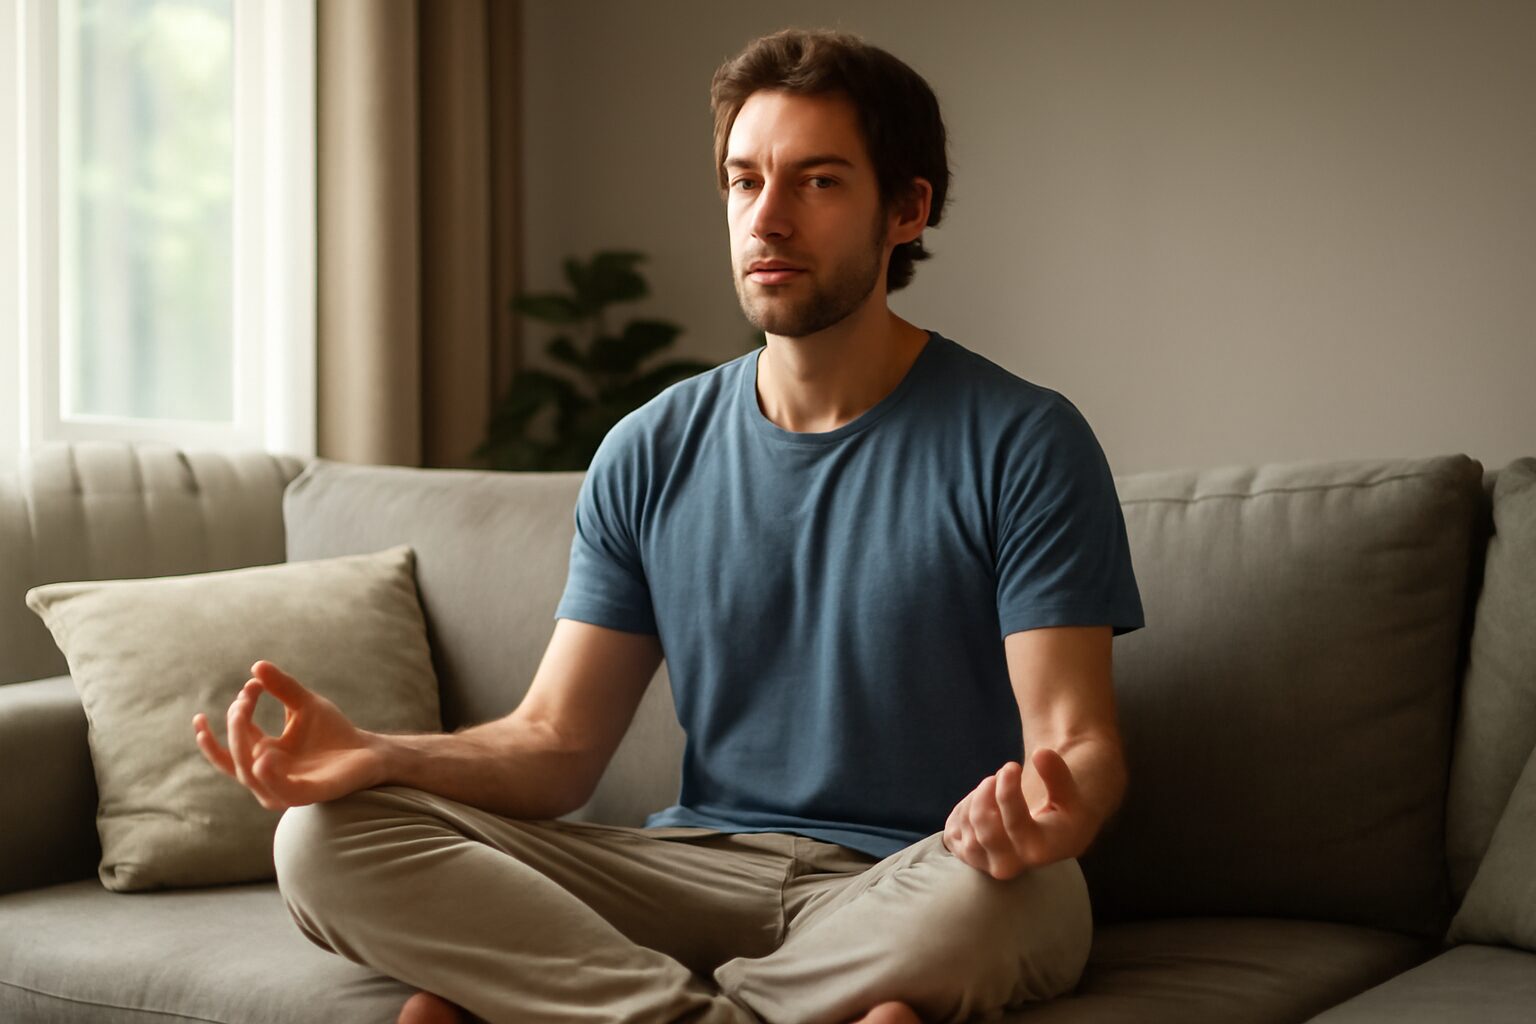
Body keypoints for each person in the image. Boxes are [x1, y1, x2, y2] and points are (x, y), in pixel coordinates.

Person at [193, 27, 1143, 1024]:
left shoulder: (1023, 441)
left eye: (817, 182)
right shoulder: (649, 449)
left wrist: (1049, 818)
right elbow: (554, 744)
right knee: (323, 838)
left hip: (907, 876)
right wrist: (382, 753)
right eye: (744, 181)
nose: (767, 218)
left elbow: (1077, 742)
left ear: (906, 209)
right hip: (685, 872)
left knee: (1031, 898)